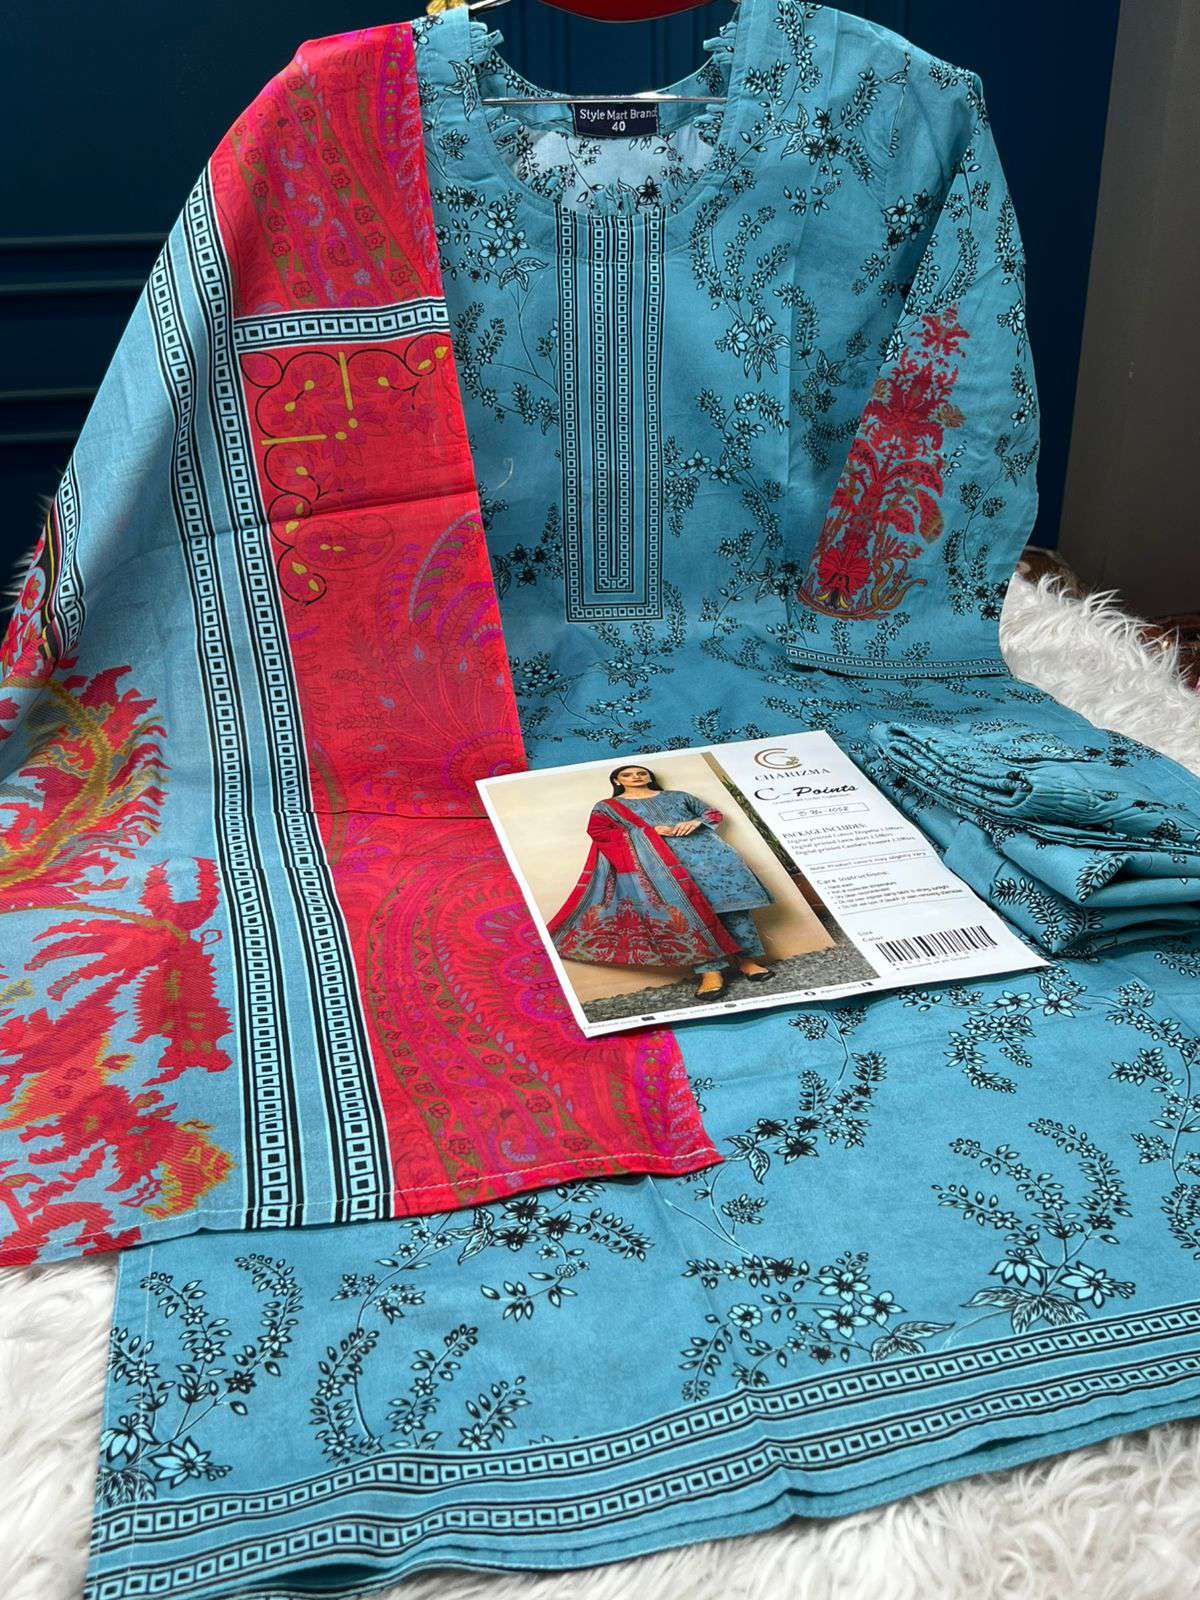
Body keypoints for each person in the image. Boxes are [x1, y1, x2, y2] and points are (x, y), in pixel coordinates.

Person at [549, 764, 775, 998]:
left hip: (710, 857)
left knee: (733, 908)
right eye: (627, 774)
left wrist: (696, 822)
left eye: (641, 773)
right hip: (659, 866)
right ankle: (710, 972)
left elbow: (712, 814)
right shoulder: (607, 807)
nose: (636, 777)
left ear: (650, 776)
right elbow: (600, 833)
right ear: (617, 781)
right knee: (687, 915)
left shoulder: (678, 796)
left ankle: (747, 962)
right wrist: (650, 831)